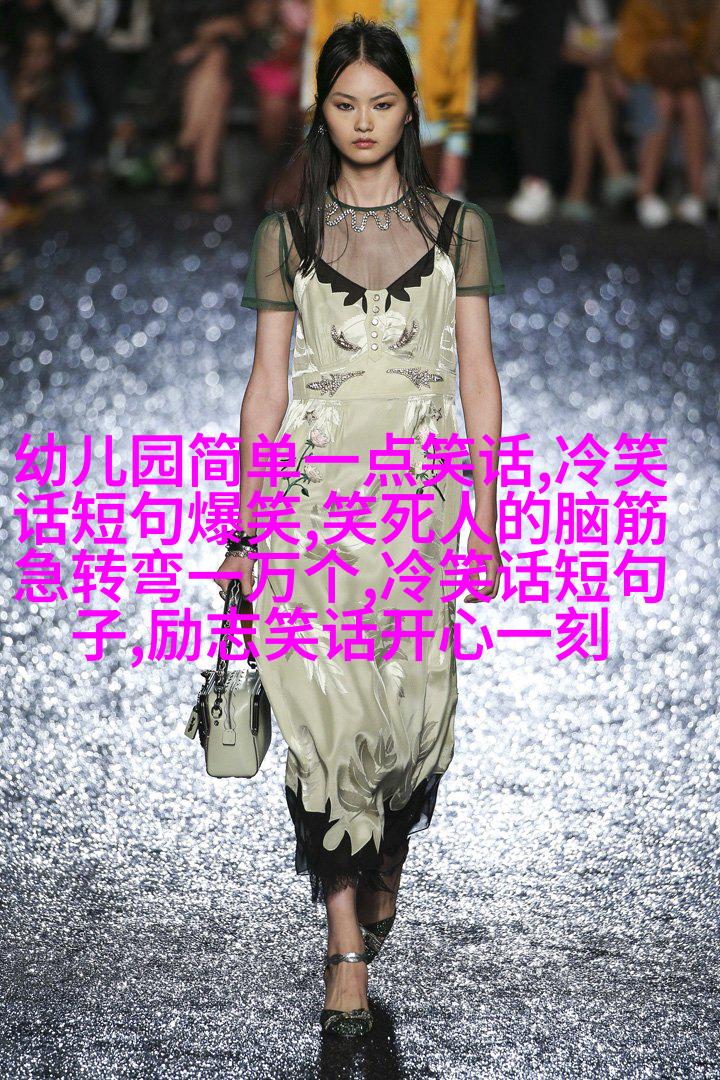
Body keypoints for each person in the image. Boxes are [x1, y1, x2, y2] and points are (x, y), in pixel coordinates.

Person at [214, 13, 505, 1039]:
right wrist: (245, 525)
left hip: (420, 507)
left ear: (410, 111)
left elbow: (477, 377)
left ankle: (384, 854)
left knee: (411, 727)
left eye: (382, 103)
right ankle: (343, 950)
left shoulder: (459, 229)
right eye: (345, 104)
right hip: (311, 509)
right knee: (324, 727)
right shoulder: (286, 234)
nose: (364, 121)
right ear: (321, 111)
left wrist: (487, 518)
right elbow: (266, 387)